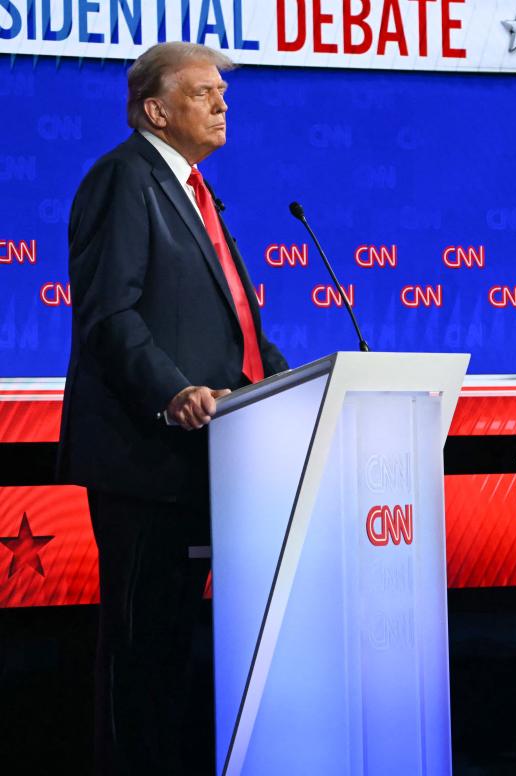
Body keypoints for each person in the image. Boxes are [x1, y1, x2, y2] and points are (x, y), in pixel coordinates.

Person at [57, 42, 288, 774]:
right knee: (142, 656)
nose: (221, 104)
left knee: (173, 654)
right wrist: (171, 390)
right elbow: (110, 315)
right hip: (145, 465)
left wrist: (297, 383)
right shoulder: (124, 180)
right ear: (156, 109)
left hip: (206, 460)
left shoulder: (194, 192)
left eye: (223, 91)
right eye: (203, 92)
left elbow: (237, 332)